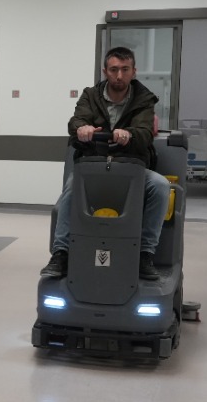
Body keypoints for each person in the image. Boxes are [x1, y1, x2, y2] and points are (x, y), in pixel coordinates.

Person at [40, 47, 172, 281]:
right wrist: (82, 128)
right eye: (114, 70)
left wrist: (129, 134)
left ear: (133, 71)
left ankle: (145, 254)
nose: (119, 75)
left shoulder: (144, 99)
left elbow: (144, 133)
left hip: (131, 168)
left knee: (160, 186)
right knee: (71, 188)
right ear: (105, 71)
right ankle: (61, 253)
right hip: (93, 166)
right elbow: (76, 121)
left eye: (125, 69)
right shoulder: (90, 96)